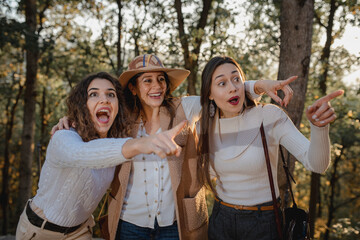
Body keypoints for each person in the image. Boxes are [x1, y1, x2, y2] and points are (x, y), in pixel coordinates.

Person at [52, 54, 297, 240]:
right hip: (129, 223)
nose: (156, 86)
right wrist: (69, 122)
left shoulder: (186, 108)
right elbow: (94, 118)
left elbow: (220, 91)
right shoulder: (122, 119)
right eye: (147, 80)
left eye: (161, 80)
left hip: (177, 224)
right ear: (134, 89)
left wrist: (259, 85)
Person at [16, 72, 186, 240]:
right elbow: (81, 154)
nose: (104, 99)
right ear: (83, 104)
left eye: (110, 95)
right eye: (94, 94)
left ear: (118, 105)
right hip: (39, 230)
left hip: (80, 232)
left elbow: (106, 149)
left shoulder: (116, 141)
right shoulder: (64, 136)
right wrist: (143, 143)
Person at [197, 56, 343, 240]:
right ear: (209, 93)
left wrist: (320, 128)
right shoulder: (203, 126)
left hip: (263, 222)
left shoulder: (269, 116)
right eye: (222, 83)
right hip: (220, 220)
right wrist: (259, 85)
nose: (233, 87)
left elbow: (317, 165)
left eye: (237, 79)